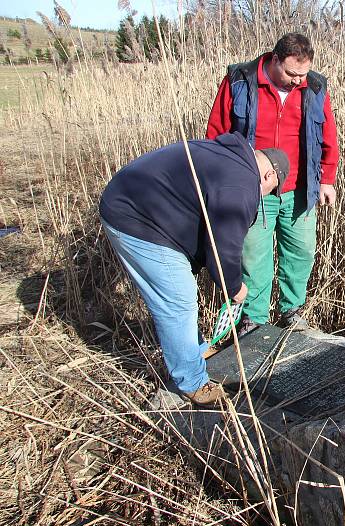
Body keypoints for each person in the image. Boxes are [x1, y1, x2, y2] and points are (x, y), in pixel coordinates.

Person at [99, 132, 290, 406]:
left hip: (135, 202)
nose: (265, 195)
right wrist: (234, 287)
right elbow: (223, 246)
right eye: (270, 191)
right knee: (178, 300)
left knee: (180, 292)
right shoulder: (242, 186)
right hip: (136, 218)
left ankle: (197, 351)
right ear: (269, 176)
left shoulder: (232, 157)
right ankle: (192, 382)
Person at [206, 32, 340, 332]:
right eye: (292, 73)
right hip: (254, 189)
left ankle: (292, 311)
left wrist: (327, 179)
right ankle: (254, 321)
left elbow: (328, 137)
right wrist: (224, 184)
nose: (297, 80)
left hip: (300, 189)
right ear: (275, 59)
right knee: (253, 256)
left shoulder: (315, 87)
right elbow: (216, 134)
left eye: (303, 74)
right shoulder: (240, 81)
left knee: (302, 252)